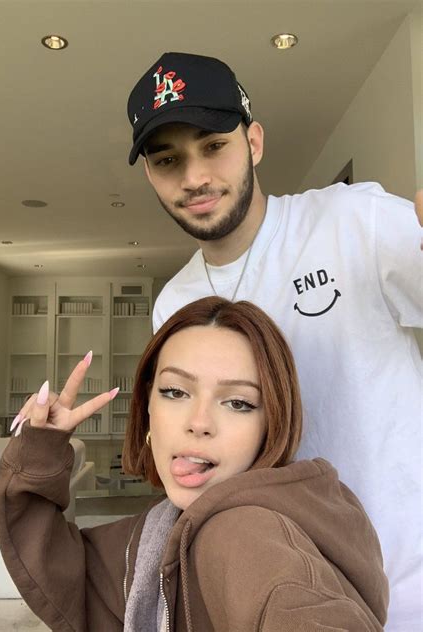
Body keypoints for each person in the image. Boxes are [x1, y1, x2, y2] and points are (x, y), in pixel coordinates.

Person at [126, 52, 422, 630]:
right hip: (270, 590)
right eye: (168, 160)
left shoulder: (354, 222)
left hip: (411, 587)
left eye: (214, 146)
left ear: (253, 142)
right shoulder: (173, 303)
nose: (194, 178)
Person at [0, 297, 388, 631]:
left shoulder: (244, 531)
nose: (198, 423)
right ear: (148, 402)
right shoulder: (166, 524)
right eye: (175, 392)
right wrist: (40, 447)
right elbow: (72, 574)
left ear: (272, 421)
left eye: (238, 402)